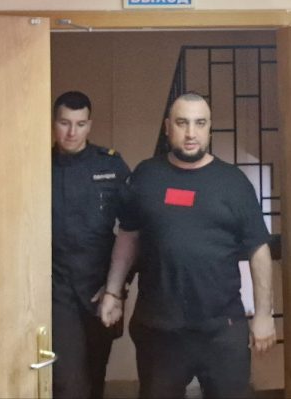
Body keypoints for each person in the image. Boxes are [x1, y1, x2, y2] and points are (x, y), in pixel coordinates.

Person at [100, 92, 276, 399]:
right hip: (159, 329)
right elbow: (128, 236)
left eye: (200, 123)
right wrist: (113, 292)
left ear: (209, 128)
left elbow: (258, 250)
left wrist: (263, 314)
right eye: (182, 123)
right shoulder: (146, 175)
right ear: (168, 127)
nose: (191, 132)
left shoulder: (233, 182)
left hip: (222, 329)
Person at [51, 91, 131, 399]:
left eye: (80, 124)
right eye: (65, 123)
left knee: (95, 376)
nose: (72, 132)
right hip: (57, 290)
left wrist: (118, 288)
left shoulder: (110, 165)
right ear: (54, 123)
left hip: (100, 290)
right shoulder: (38, 166)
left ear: (90, 125)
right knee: (67, 382)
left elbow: (134, 230)